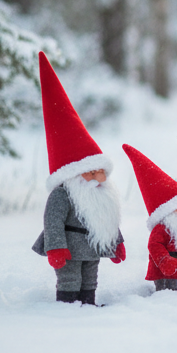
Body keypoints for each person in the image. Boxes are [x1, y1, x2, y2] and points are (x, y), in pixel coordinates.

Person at [31, 52, 125, 305]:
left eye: (100, 171)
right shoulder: (63, 194)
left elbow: (107, 218)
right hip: (69, 249)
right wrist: (56, 247)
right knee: (70, 277)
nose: (97, 177)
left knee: (90, 278)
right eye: (90, 171)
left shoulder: (101, 194)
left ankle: (88, 303)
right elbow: (52, 222)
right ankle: (68, 306)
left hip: (93, 248)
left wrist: (117, 242)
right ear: (73, 174)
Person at [123, 144, 177, 294]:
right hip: (166, 268)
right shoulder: (163, 228)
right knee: (168, 291)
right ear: (169, 212)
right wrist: (164, 260)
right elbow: (154, 245)